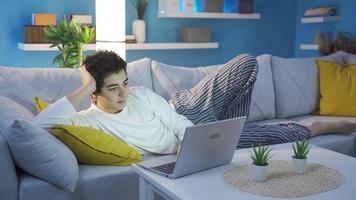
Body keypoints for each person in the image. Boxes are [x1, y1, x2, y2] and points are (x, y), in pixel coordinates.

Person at [34, 50, 356, 155]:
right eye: (113, 89)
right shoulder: (88, 120)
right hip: (193, 138)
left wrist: (191, 141)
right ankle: (320, 127)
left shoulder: (142, 95)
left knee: (248, 63)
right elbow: (38, 126)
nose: (124, 94)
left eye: (126, 83)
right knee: (268, 137)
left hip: (188, 110)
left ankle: (230, 132)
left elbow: (176, 122)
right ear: (95, 93)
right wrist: (84, 85)